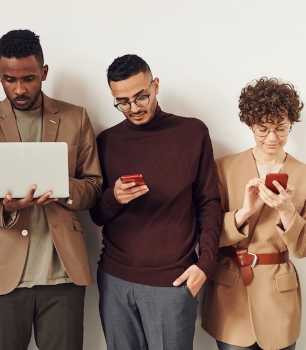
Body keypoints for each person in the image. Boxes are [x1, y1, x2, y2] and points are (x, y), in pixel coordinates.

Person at [0, 29, 102, 350]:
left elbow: (94, 188)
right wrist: (5, 208)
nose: (19, 88)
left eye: (29, 78)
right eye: (9, 79)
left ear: (44, 73)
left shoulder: (75, 117)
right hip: (0, 272)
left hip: (63, 274)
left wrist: (61, 189)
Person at [89, 54, 221, 350]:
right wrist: (114, 198)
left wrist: (206, 264)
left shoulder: (192, 133)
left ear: (156, 85)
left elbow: (209, 203)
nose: (134, 108)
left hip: (173, 282)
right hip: (115, 280)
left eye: (141, 97)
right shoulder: (106, 141)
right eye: (122, 102)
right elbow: (96, 214)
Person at [201, 78, 306, 350]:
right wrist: (244, 212)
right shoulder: (223, 168)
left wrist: (287, 210)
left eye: (280, 128)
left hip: (280, 297)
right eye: (262, 129)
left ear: (291, 123)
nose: (272, 137)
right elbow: (206, 235)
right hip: (231, 293)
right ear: (249, 125)